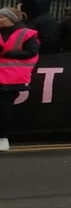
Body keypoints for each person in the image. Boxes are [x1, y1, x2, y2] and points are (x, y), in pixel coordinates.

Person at [0, 8, 39, 152]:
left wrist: (6, 53)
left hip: (11, 78)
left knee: (4, 108)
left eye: (0, 17)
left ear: (9, 19)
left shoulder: (26, 34)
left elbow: (32, 52)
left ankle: (3, 137)